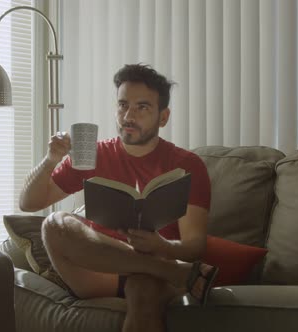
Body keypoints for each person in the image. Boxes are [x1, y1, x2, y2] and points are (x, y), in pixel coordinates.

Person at [19, 64, 218, 332]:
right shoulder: (93, 155)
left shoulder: (187, 165)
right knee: (55, 223)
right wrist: (51, 159)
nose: (128, 116)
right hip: (98, 269)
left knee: (143, 290)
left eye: (142, 107)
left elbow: (194, 246)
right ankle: (168, 270)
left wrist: (163, 246)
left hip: (155, 272)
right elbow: (29, 203)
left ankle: (160, 269)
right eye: (123, 105)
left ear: (163, 117)